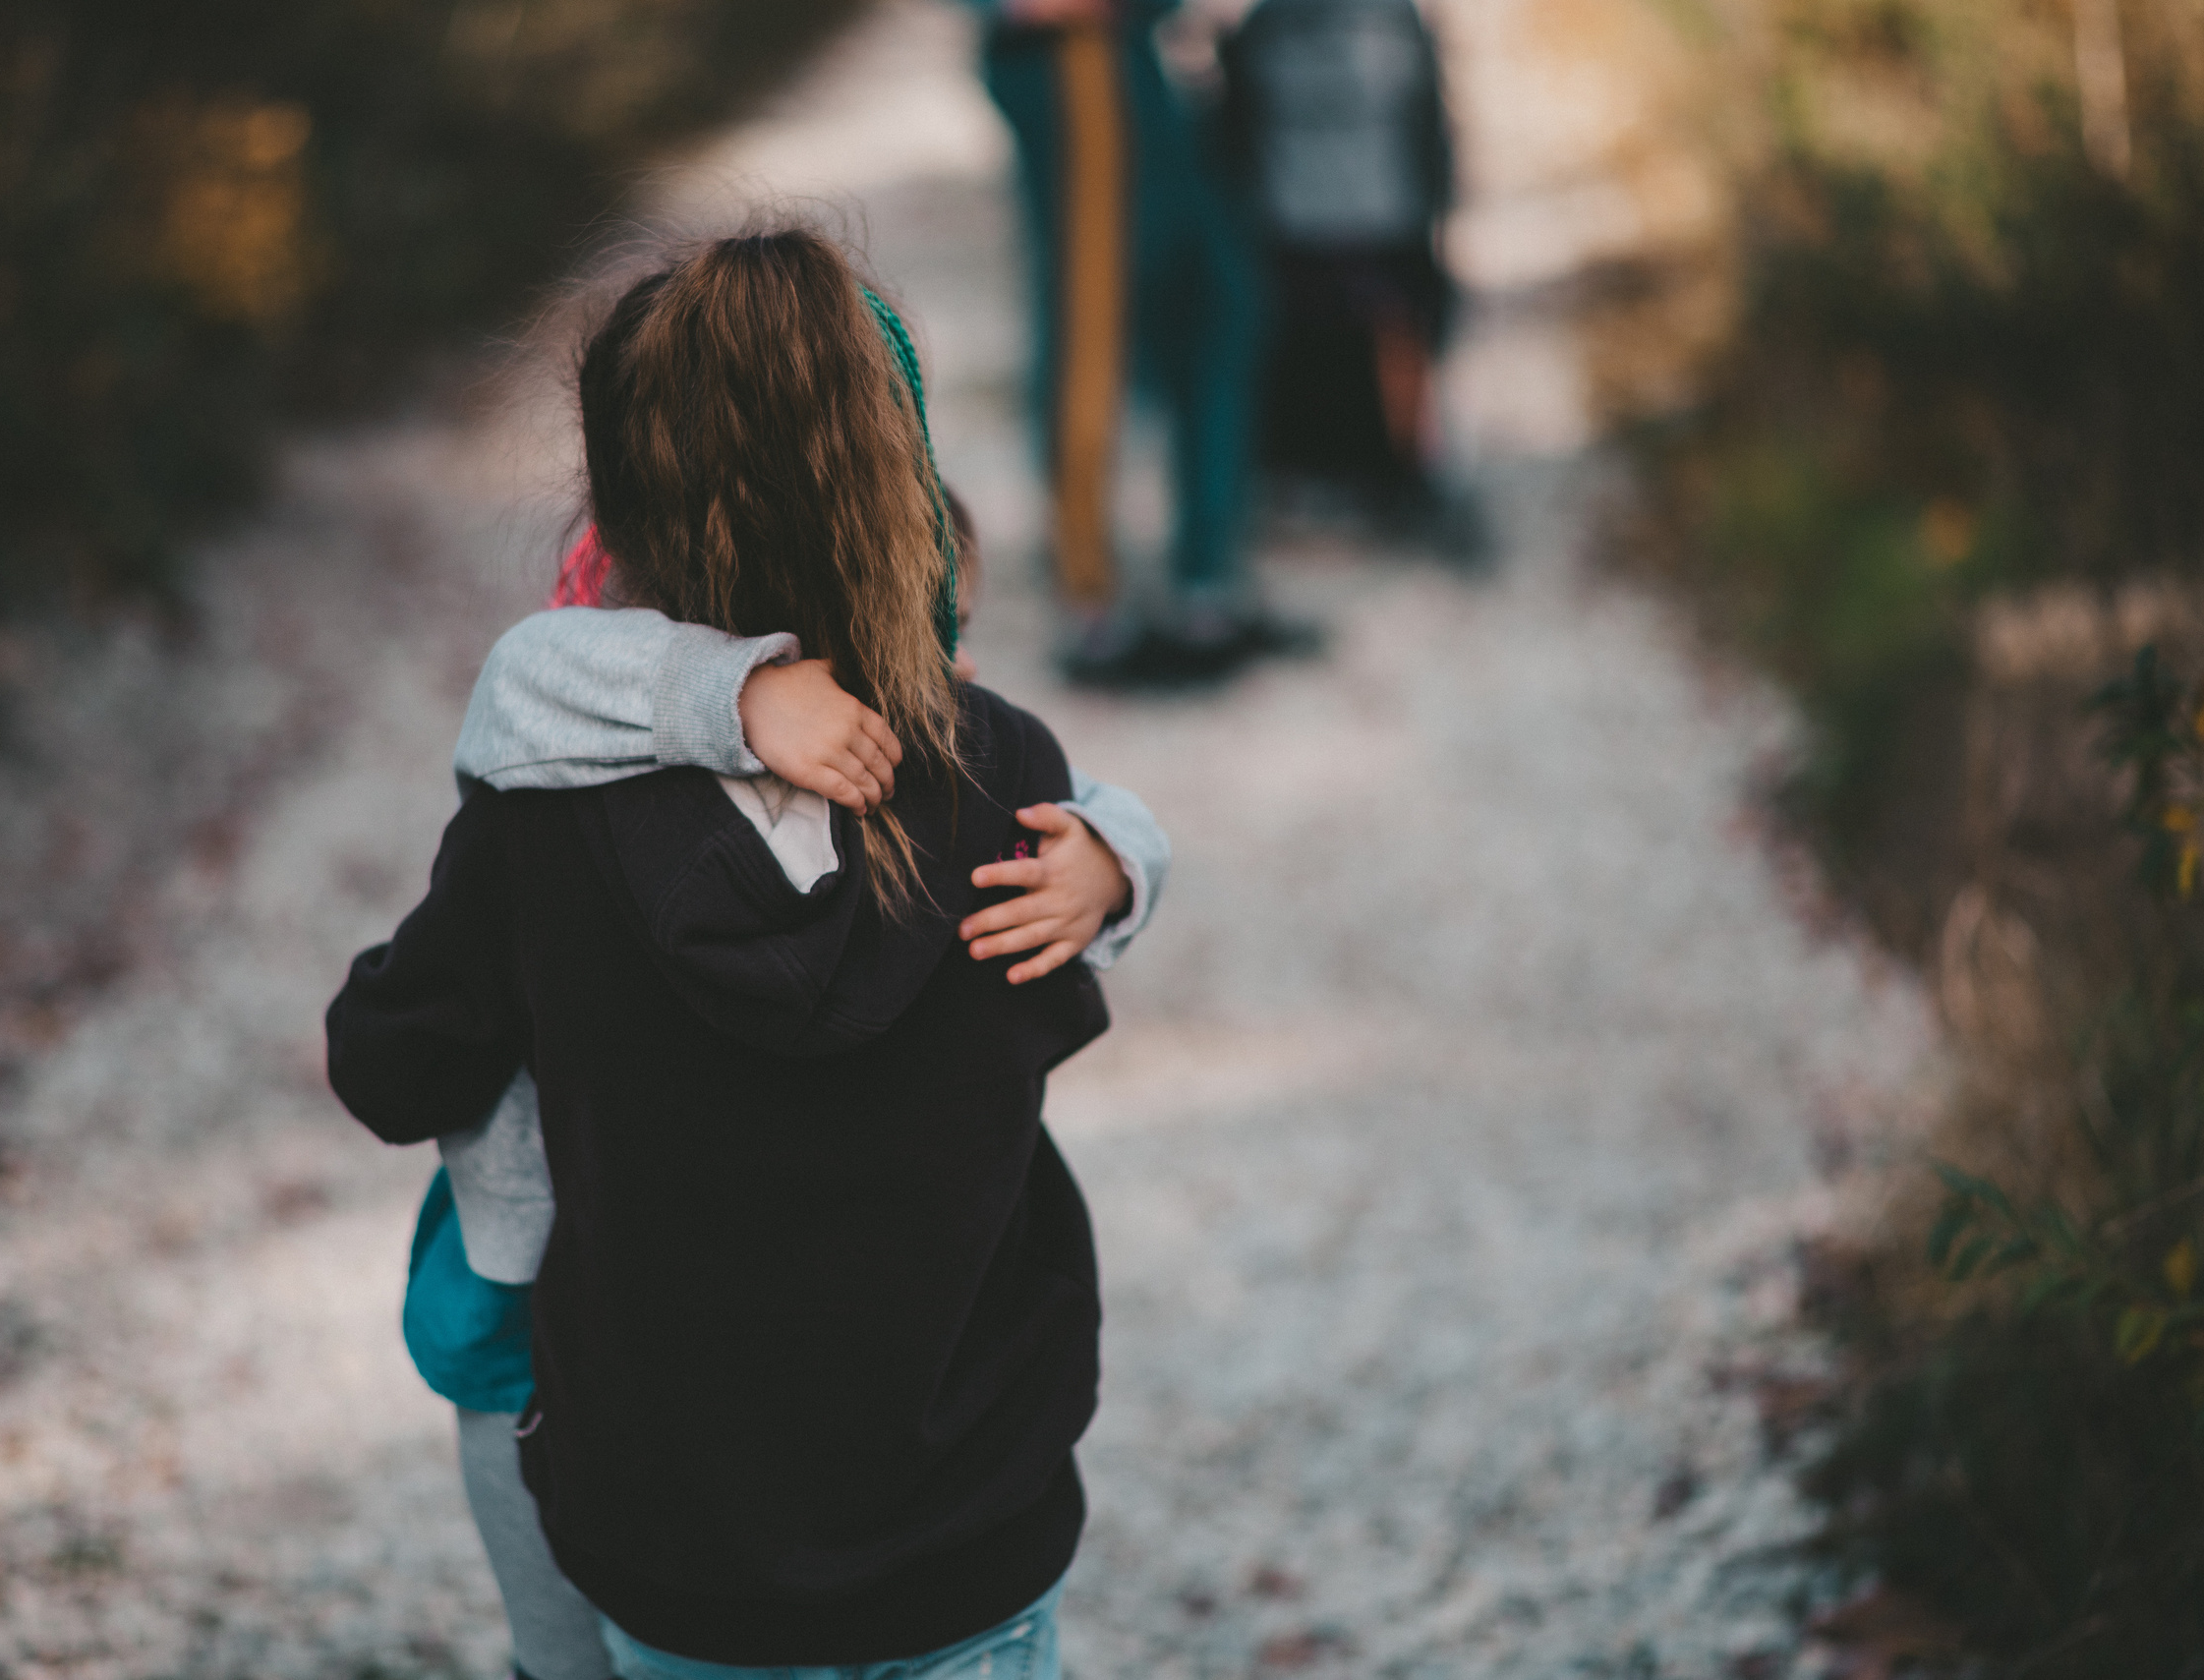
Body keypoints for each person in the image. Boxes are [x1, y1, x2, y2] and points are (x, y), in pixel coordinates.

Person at [328, 227, 1142, 1678]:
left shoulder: (543, 822)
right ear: (909, 498)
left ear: (608, 526)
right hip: (972, 1525)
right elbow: (1037, 1018)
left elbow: (390, 1067)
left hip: (682, 1561)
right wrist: (1123, 859)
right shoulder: (1009, 776)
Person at [969, 0, 1311, 686]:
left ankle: (1204, 585)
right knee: (1089, 320)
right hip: (1072, 52)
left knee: (1218, 304)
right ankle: (1091, 604)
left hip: (1142, 56)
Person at [1220, 0, 1462, 538]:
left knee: (1394, 340)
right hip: (1302, 226)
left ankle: (1404, 475)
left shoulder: (1390, 21)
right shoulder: (1270, 27)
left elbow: (1429, 122)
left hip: (1376, 221)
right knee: (1308, 343)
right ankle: (1313, 479)